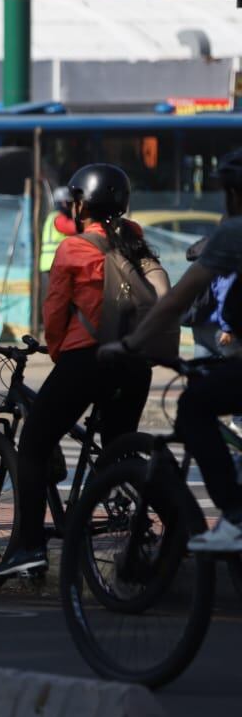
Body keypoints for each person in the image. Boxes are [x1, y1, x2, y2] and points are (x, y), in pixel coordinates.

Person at [0, 163, 156, 577]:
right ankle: (147, 536)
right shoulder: (136, 240)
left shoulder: (73, 248)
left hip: (89, 360)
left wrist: (57, 352)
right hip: (136, 365)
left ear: (83, 204)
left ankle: (27, 547)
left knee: (32, 445)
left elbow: (55, 311)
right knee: (119, 449)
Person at [102, 149, 242, 552]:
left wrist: (131, 344)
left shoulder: (233, 233)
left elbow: (176, 300)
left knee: (194, 407)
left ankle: (234, 516)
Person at [39, 185, 77, 298]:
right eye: (70, 203)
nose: (72, 207)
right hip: (55, 265)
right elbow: (75, 229)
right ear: (63, 203)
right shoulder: (59, 219)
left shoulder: (52, 217)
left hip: (52, 265)